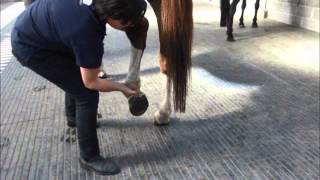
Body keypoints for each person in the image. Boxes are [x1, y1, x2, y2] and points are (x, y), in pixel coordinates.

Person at [11, 0, 148, 175]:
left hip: (40, 30)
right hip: (30, 47)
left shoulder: (95, 7)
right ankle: (89, 157)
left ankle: (73, 118)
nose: (130, 26)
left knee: (74, 75)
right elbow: (91, 82)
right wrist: (123, 88)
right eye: (128, 22)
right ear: (113, 15)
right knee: (86, 94)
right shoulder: (87, 30)